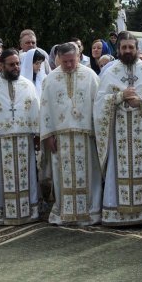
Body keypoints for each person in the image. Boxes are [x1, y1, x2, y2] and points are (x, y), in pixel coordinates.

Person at [94, 31, 142, 226]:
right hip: (119, 132)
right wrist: (119, 97)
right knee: (118, 171)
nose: (127, 51)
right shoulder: (110, 72)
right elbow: (99, 103)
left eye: (131, 47)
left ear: (137, 49)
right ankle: (118, 213)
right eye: (124, 47)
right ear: (118, 49)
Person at [40, 42, 102, 226]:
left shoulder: (90, 76)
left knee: (90, 174)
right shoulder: (51, 79)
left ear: (78, 56)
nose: (68, 65)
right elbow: (45, 108)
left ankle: (91, 212)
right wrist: (49, 134)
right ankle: (64, 212)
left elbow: (98, 107)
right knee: (62, 175)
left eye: (72, 61)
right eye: (65, 61)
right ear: (58, 58)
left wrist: (98, 132)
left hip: (86, 135)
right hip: (61, 137)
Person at [0, 48, 41, 225]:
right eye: (11, 64)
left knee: (27, 175)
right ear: (2, 65)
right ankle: (1, 213)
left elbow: (35, 111)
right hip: (0, 141)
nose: (16, 67)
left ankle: (28, 212)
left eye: (18, 64)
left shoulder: (27, 85)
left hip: (24, 141)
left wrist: (37, 135)